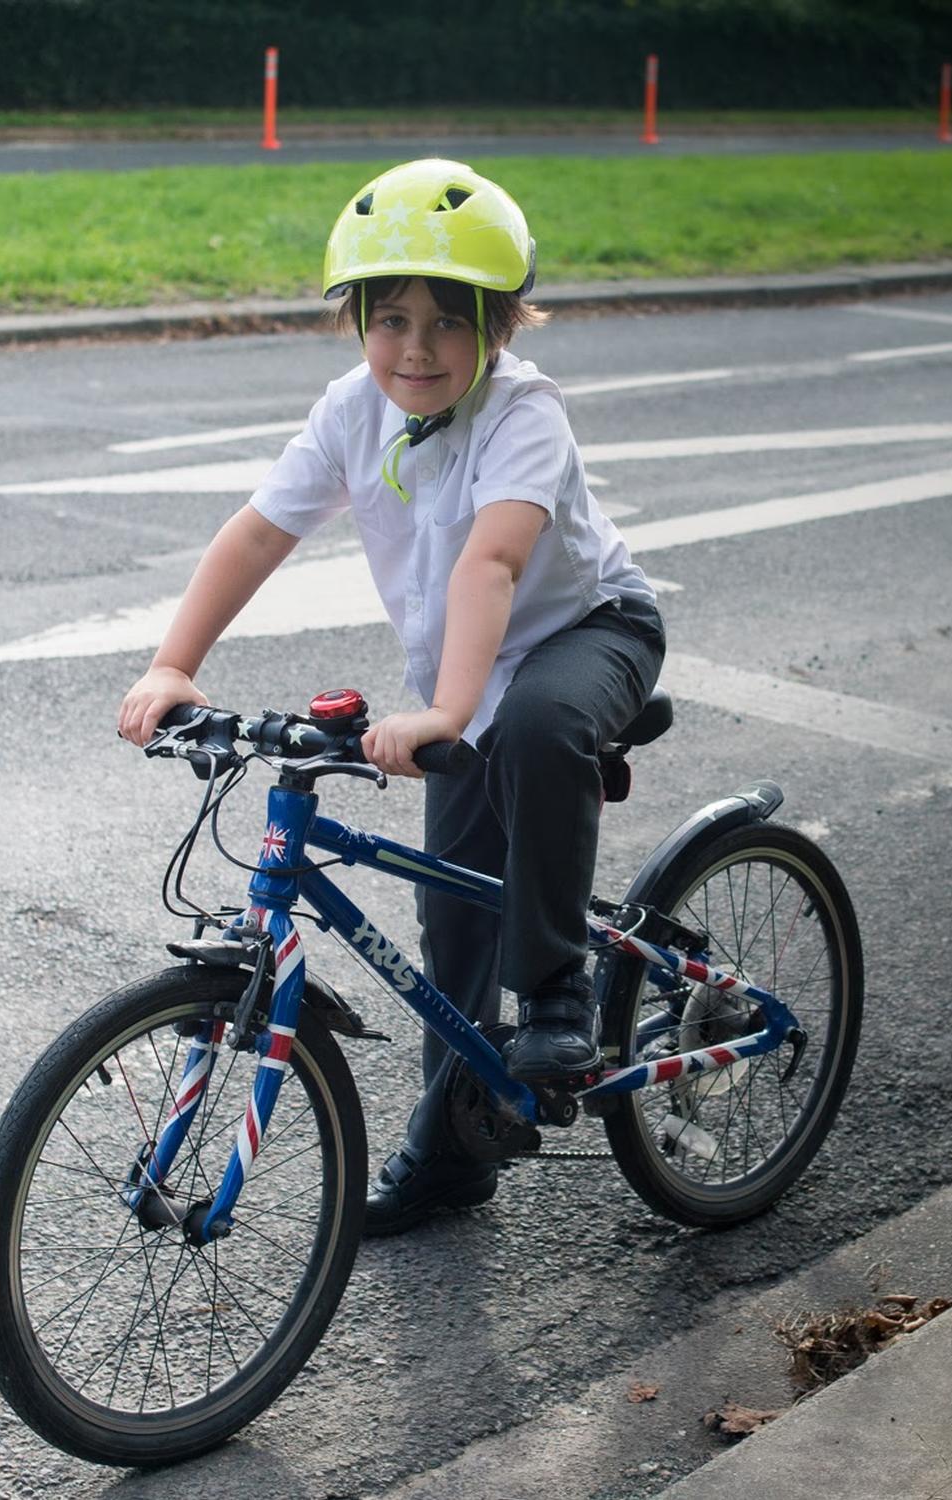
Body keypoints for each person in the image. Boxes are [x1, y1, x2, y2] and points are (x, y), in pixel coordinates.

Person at [116, 159, 665, 1235]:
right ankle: (453, 1156)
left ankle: (556, 992)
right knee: (454, 914)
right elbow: (259, 531)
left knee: (542, 727)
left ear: (499, 328)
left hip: (584, 635)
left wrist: (449, 715)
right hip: (467, 676)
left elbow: (490, 568)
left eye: (448, 324)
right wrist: (171, 664)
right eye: (391, 319)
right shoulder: (350, 412)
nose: (416, 350)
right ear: (359, 321)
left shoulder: (524, 415)